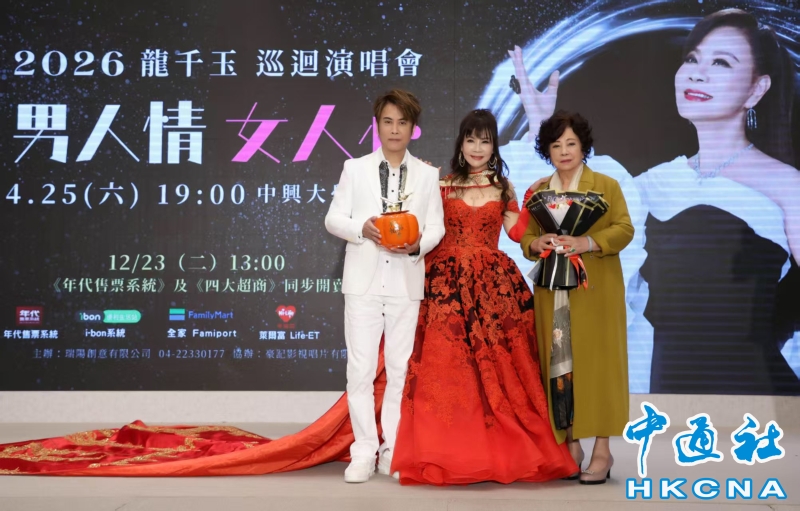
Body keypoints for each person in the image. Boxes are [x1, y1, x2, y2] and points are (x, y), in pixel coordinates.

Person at [504, 8, 800, 394]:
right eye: (692, 59)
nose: (697, 73)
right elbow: (558, 233)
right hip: (661, 390)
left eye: (721, 62)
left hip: (752, 392)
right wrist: (541, 130)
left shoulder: (784, 184)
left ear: (757, 89)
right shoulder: (650, 184)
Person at [390, 109, 577, 485]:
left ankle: (500, 448)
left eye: (485, 141)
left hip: (492, 288)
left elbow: (518, 233)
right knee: (446, 369)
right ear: (461, 143)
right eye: (471, 139)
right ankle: (440, 449)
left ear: (494, 147)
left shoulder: (503, 187)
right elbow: (423, 229)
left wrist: (535, 208)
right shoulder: (442, 185)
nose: (477, 147)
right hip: (445, 286)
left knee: (499, 371)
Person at [324, 89, 445, 482]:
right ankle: (363, 451)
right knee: (360, 371)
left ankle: (391, 449)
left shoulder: (427, 174)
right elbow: (333, 219)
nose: (395, 129)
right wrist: (361, 228)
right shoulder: (354, 168)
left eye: (402, 122)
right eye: (388, 121)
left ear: (413, 128)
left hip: (405, 283)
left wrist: (418, 245)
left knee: (399, 371)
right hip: (363, 283)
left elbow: (436, 226)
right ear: (377, 125)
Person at [521, 111, 633, 484]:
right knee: (559, 366)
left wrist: (588, 242)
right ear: (547, 151)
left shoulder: (606, 185)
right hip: (551, 292)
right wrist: (536, 243)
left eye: (571, 143)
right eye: (556, 145)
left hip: (595, 292)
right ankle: (570, 444)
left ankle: (602, 450)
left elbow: (624, 229)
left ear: (584, 146)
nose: (564, 151)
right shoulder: (539, 191)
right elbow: (526, 238)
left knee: (599, 367)